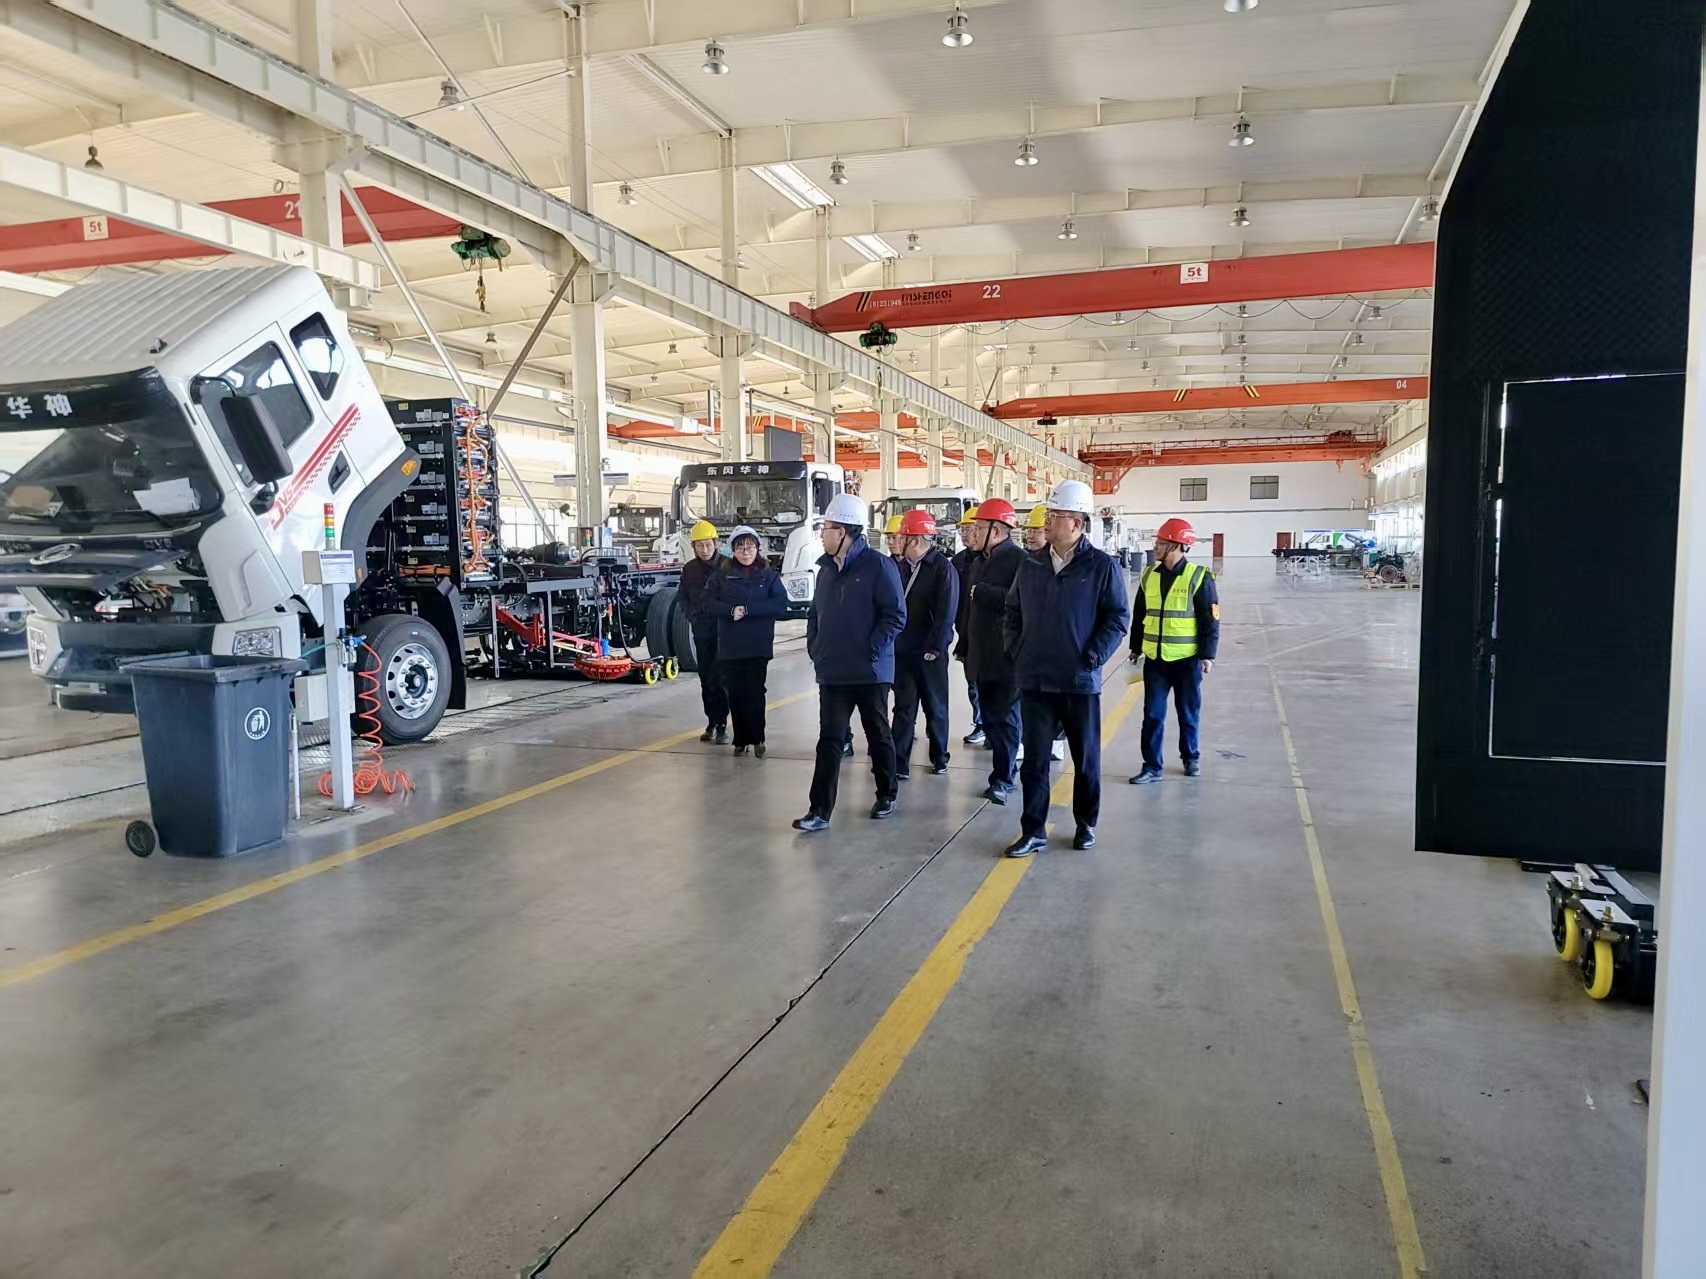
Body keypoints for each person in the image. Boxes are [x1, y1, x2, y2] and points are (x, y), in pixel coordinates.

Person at [1002, 479, 1130, 857]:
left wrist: (1092, 657)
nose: (1046, 522)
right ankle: (1033, 830)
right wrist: (1018, 651)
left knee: (1086, 760)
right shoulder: (1031, 565)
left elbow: (1117, 618)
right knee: (1034, 762)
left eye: (1054, 516)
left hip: (1079, 682)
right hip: (1036, 681)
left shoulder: (1101, 566)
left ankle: (1085, 823)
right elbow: (1012, 611)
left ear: (1076, 523)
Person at [794, 493, 907, 832]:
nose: (822, 535)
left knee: (877, 734)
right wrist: (816, 646)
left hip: (870, 671)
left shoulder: (879, 566)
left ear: (843, 531)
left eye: (826, 528)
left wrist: (871, 649)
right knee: (830, 739)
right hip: (832, 671)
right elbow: (815, 613)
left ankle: (886, 794)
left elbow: (895, 615)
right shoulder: (825, 570)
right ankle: (819, 810)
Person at [1128, 517, 1219, 784]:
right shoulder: (1149, 576)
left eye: (1161, 543)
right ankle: (1151, 767)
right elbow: (1139, 615)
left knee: (1188, 713)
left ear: (1177, 546)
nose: (1155, 547)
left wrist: (1208, 655)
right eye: (1156, 542)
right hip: (1155, 660)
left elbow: (1210, 620)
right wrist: (1135, 648)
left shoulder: (1198, 577)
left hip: (1186, 661)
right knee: (1152, 715)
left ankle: (1191, 758)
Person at [962, 497, 1026, 806]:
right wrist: (964, 643)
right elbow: (969, 607)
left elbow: (1021, 601)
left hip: (1007, 657)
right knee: (989, 718)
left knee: (1006, 718)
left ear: (997, 531)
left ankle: (1004, 778)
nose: (972, 533)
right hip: (981, 654)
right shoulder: (978, 562)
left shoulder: (1019, 561)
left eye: (978, 528)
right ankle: (1002, 771)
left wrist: (983, 593)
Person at [705, 525, 790, 758]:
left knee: (755, 692)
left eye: (750, 547)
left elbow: (781, 604)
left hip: (757, 645)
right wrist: (729, 611)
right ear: (733, 550)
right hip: (731, 646)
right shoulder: (722, 575)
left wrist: (750, 610)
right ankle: (740, 740)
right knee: (735, 693)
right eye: (741, 547)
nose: (746, 551)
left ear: (757, 549)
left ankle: (757, 738)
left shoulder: (768, 576)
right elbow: (708, 602)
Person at [890, 509, 959, 779]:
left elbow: (946, 612)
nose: (897, 543)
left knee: (935, 707)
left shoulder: (942, 568)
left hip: (930, 653)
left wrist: (936, 647)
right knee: (904, 708)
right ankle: (899, 763)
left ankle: (940, 757)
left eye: (902, 538)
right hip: (903, 651)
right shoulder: (900, 567)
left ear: (916, 540)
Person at [679, 519, 730, 743]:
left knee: (721, 678)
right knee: (706, 677)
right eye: (699, 545)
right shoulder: (690, 569)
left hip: (724, 631)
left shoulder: (728, 566)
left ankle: (723, 725)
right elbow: (682, 596)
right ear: (693, 547)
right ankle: (711, 722)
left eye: (708, 544)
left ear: (715, 543)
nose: (704, 549)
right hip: (702, 631)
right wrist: (691, 615)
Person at [952, 506, 988, 747]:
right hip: (965, 631)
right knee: (972, 681)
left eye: (970, 529)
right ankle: (981, 723)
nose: (965, 535)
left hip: (989, 633)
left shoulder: (993, 561)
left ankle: (994, 726)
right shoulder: (958, 562)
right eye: (962, 530)